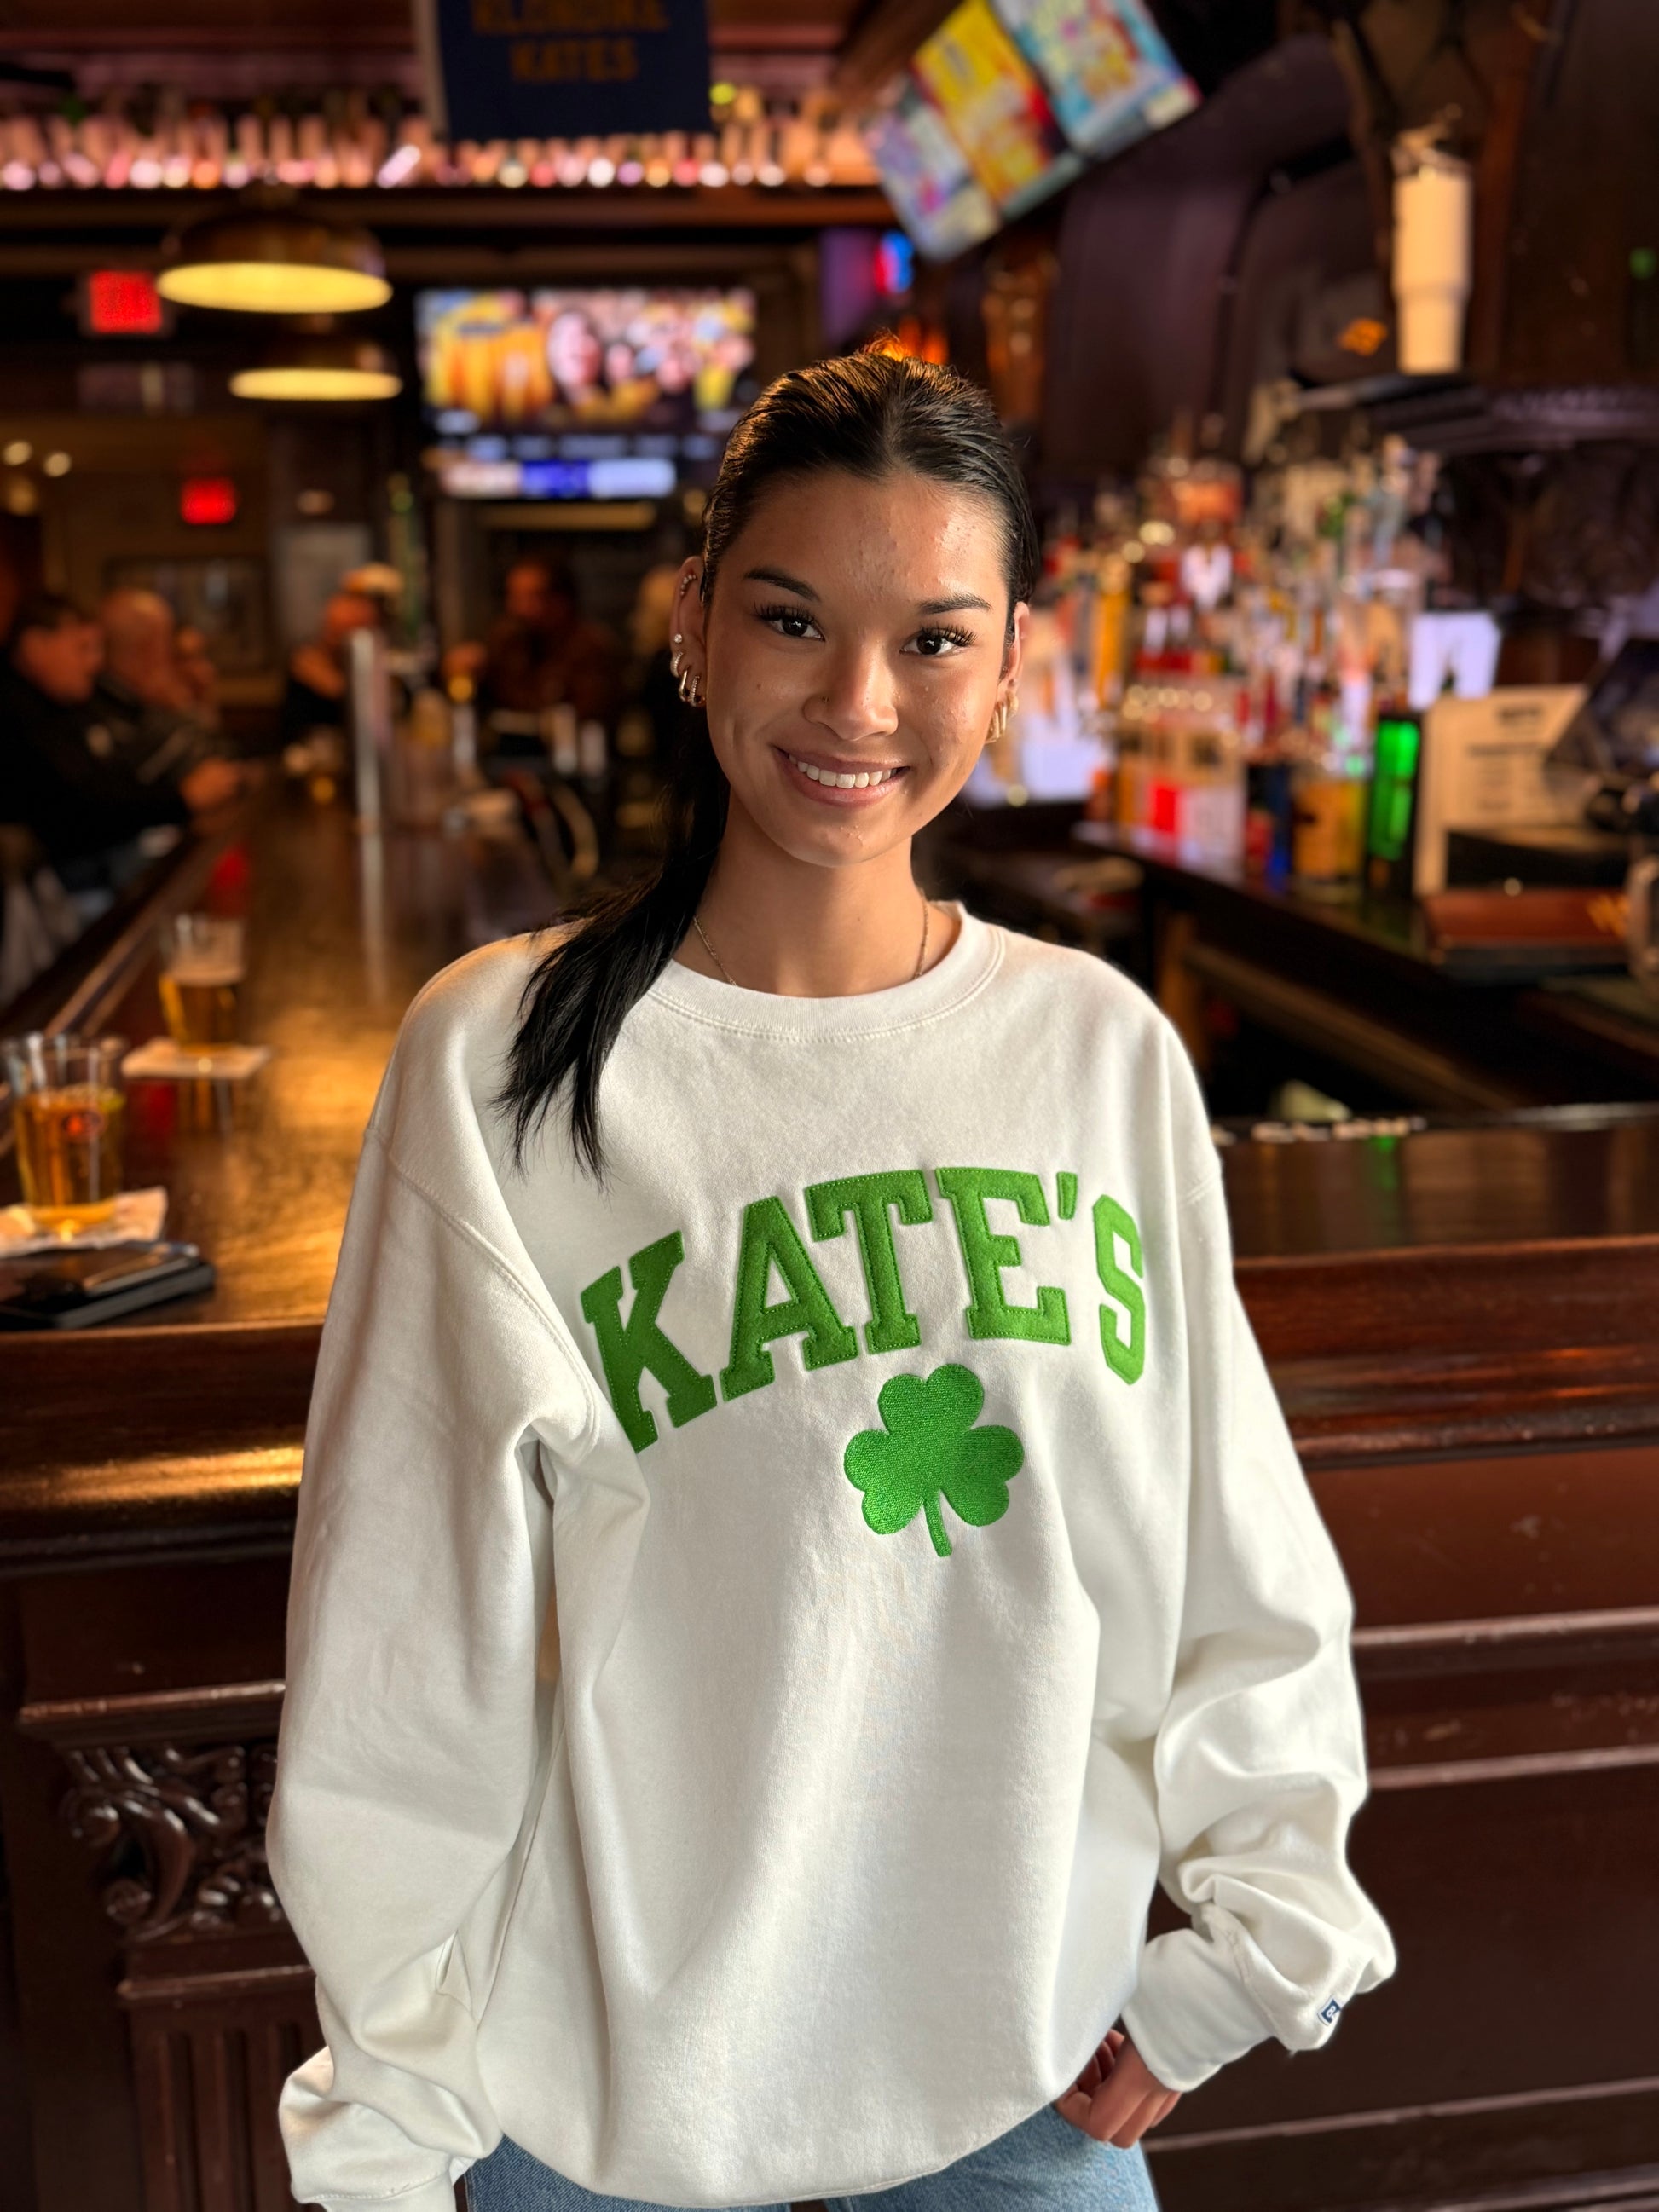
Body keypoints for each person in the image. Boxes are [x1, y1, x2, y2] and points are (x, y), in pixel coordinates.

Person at [268, 353, 1396, 2212]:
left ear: (1012, 666)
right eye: (791, 619)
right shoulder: (501, 1062)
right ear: (694, 627)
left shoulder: (1098, 1052)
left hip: (1020, 2077)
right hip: (599, 2101)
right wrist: (388, 2123)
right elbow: (404, 1623)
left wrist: (1249, 1946)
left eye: (934, 639)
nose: (860, 703)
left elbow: (1224, 1537)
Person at [0, 594, 236, 898]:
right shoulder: (18, 711)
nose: (96, 662)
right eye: (82, 648)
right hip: (63, 891)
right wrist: (181, 800)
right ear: (36, 647)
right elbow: (80, 812)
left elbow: (111, 781)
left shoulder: (62, 702)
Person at [442, 556, 624, 747]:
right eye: (514, 597)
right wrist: (464, 669)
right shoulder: (507, 639)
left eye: (531, 597)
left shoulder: (591, 648)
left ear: (561, 601)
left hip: (573, 756)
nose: (519, 608)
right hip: (508, 756)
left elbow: (590, 719)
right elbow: (476, 701)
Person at [95, 587, 226, 791]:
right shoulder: (108, 708)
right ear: (145, 649)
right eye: (168, 644)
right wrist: (182, 710)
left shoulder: (140, 701)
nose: (204, 670)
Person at [277, 588, 379, 754]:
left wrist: (339, 689)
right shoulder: (304, 660)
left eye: (343, 632)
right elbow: (294, 732)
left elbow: (376, 725)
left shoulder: (380, 668)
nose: (333, 640)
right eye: (330, 630)